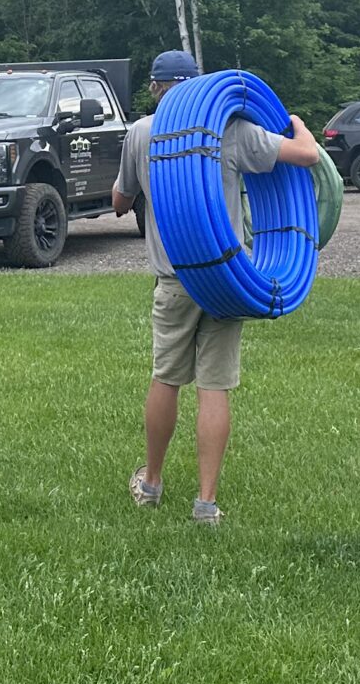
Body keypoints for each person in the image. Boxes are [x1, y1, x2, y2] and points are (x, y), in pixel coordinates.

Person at [112, 49, 323, 526]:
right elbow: (306, 155)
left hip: (174, 281)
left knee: (166, 377)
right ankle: (206, 505)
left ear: (155, 88)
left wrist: (139, 185)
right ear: (199, 85)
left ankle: (152, 485)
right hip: (227, 279)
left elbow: (120, 201)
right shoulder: (233, 131)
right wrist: (297, 123)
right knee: (214, 387)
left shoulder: (141, 133)